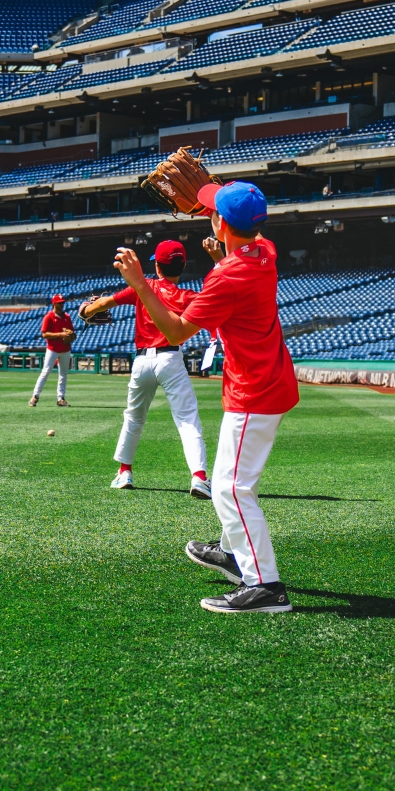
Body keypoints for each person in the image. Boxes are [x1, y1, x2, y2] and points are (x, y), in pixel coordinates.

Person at [113, 180, 298, 614]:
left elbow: (176, 330)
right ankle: (236, 554)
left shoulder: (227, 276)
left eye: (213, 210)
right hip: (266, 379)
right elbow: (241, 235)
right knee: (225, 483)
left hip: (255, 390)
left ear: (220, 223)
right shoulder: (264, 251)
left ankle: (264, 585)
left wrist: (141, 284)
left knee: (232, 490)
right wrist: (219, 227)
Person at [80, 240, 211, 499]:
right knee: (187, 420)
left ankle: (125, 472)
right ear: (182, 266)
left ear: (157, 265)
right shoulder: (189, 297)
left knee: (134, 417)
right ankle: (199, 478)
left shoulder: (144, 287)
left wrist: (87, 309)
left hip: (141, 362)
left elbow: (102, 305)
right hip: (171, 360)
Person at [30, 294, 75, 407]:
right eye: (59, 302)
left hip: (65, 348)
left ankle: (61, 398)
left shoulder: (67, 317)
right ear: (53, 304)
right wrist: (61, 334)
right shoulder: (48, 317)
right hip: (53, 349)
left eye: (62, 302)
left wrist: (72, 336)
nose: (62, 304)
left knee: (63, 374)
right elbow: (45, 334)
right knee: (45, 372)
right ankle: (35, 396)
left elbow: (72, 332)